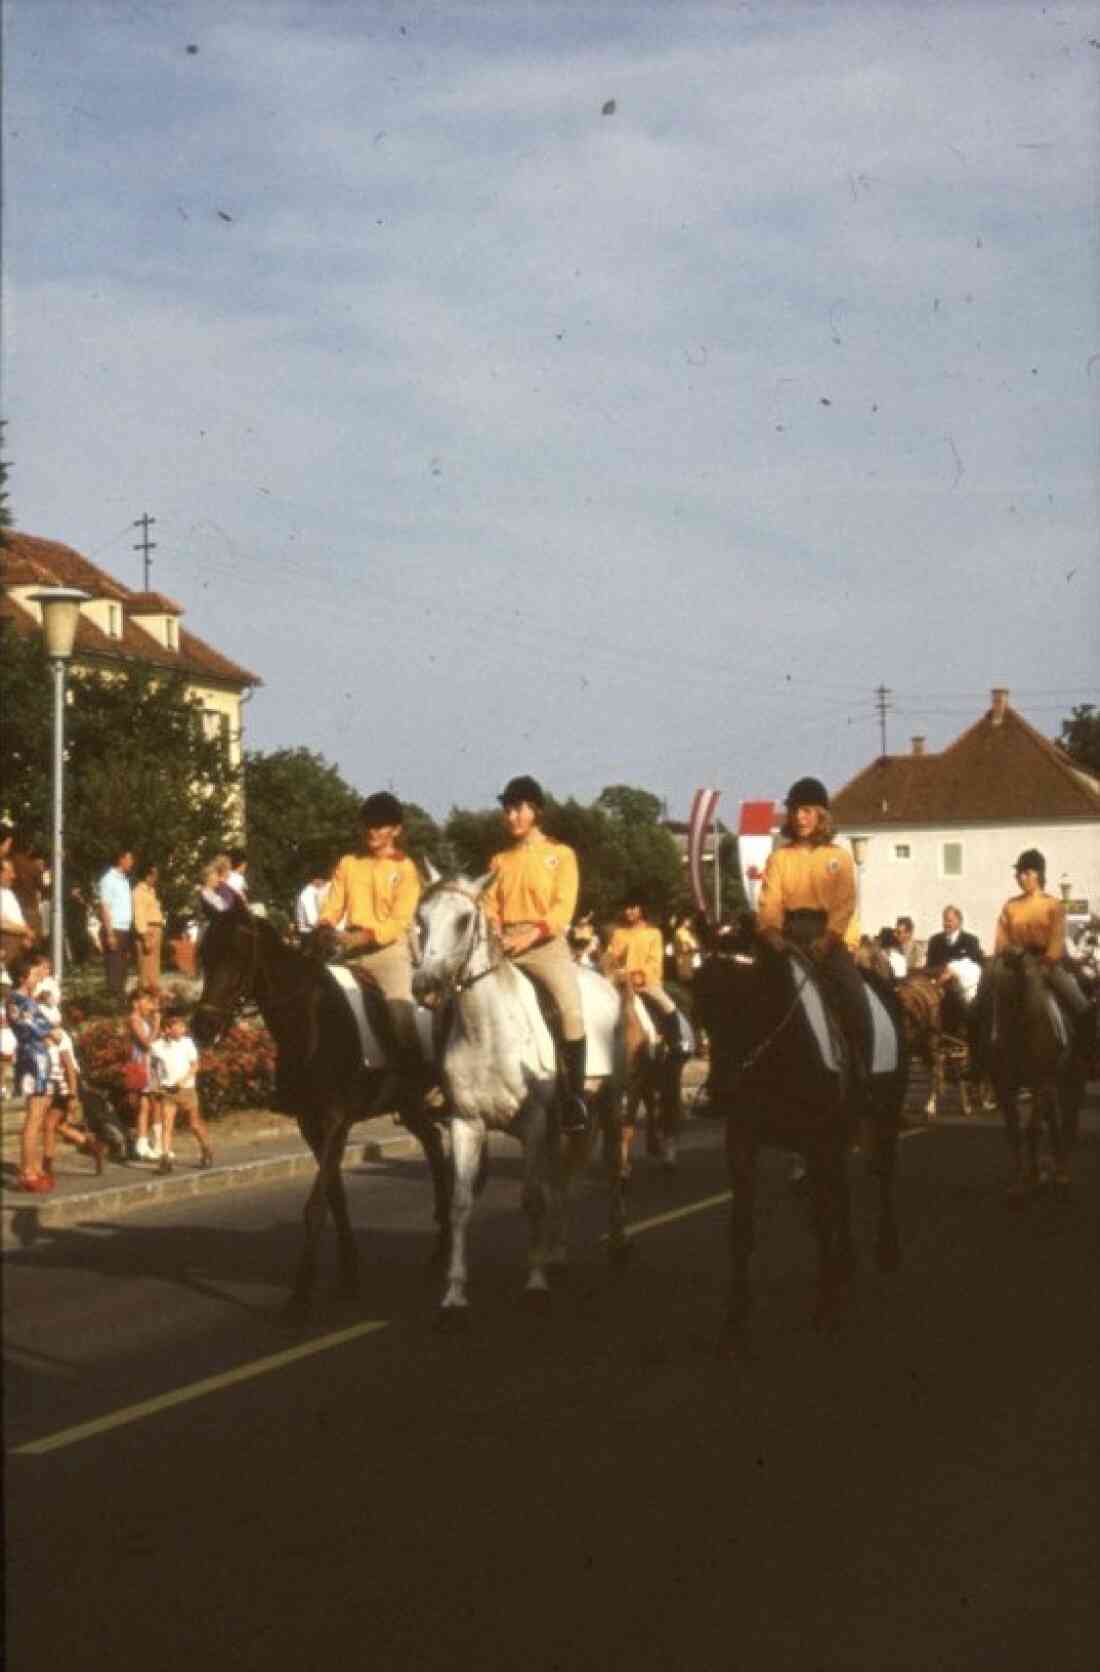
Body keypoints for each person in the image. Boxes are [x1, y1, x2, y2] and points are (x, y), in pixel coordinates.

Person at [482, 775, 589, 1134]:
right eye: (507, 810)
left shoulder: (561, 855)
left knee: (571, 1010)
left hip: (544, 946)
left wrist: (527, 938)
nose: (511, 817)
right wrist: (496, 930)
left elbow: (562, 910)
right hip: (503, 944)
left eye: (518, 809)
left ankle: (575, 1097)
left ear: (535, 811)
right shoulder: (499, 860)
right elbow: (489, 903)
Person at [756, 776, 871, 1098]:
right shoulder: (779, 858)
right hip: (786, 935)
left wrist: (830, 938)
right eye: (795, 811)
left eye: (807, 811)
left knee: (854, 997)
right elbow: (770, 901)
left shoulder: (839, 857)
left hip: (826, 938)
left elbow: (845, 903)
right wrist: (771, 933)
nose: (800, 817)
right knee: (749, 990)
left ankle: (863, 1073)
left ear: (822, 815)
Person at [315, 792, 425, 1116]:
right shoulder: (349, 863)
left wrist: (360, 937)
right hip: (349, 952)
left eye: (380, 827)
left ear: (395, 830)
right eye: (368, 826)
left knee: (400, 1014)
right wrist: (324, 924)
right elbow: (334, 903)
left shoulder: (405, 870)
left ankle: (415, 1087)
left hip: (388, 953)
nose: (372, 832)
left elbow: (398, 921)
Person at [984, 849, 1095, 1066]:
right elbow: (1001, 939)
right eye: (1019, 874)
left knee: (1082, 1006)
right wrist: (1008, 954)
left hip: (1047, 963)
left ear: (1038, 875)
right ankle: (981, 1057)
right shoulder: (1010, 905)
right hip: (1014, 962)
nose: (1020, 878)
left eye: (1025, 873)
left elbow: (1056, 940)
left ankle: (1085, 1056)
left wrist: (1046, 962)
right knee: (984, 993)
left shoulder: (1053, 905)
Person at [35, 977, 107, 1177]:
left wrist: (73, 1094)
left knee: (50, 1125)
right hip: (49, 1082)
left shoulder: (60, 1037)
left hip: (64, 1083)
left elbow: (68, 1065)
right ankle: (92, 1145)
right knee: (57, 1125)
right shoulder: (40, 1035)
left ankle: (47, 1165)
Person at [606, 891, 688, 1053]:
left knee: (668, 1006)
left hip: (646, 983)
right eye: (626, 908)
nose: (628, 912)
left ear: (641, 909)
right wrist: (611, 967)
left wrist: (633, 975)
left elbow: (654, 962)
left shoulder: (653, 934)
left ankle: (676, 1042)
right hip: (620, 982)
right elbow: (610, 957)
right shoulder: (618, 934)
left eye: (633, 908)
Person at [6, 949, 56, 1192]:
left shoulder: (25, 999)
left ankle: (33, 1166)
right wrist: (51, 1032)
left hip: (38, 1056)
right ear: (24, 977)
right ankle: (27, 1170)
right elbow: (35, 1027)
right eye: (35, 974)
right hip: (33, 1057)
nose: (39, 978)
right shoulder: (18, 999)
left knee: (41, 1112)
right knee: (34, 1116)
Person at [150, 1008, 212, 1174]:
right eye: (178, 1027)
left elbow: (195, 1065)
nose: (182, 1030)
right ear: (167, 1030)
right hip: (167, 1091)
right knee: (167, 1125)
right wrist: (155, 1083)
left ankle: (206, 1148)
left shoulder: (187, 1043)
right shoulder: (157, 1047)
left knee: (193, 1124)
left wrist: (183, 1080)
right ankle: (166, 1159)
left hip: (186, 1090)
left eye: (183, 1027)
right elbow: (154, 1066)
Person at [127, 986, 162, 1159]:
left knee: (150, 1104)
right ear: (135, 1003)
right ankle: (145, 1142)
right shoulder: (134, 1019)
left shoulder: (144, 1019)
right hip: (141, 1065)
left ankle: (149, 1142)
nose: (150, 1004)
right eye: (146, 1001)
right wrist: (156, 1026)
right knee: (147, 1104)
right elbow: (147, 1044)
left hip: (149, 1065)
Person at [98, 846, 135, 1000]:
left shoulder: (125, 880)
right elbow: (105, 907)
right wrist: (110, 933)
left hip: (125, 929)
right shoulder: (108, 880)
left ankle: (120, 1000)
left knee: (123, 969)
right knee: (114, 969)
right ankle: (113, 1003)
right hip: (114, 928)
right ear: (121, 859)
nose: (132, 863)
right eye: (129, 859)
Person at [132, 861, 166, 990]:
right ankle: (144, 1000)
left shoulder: (151, 891)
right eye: (155, 875)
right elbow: (139, 916)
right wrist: (145, 938)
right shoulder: (139, 892)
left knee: (154, 968)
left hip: (156, 929)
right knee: (146, 969)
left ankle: (152, 999)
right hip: (148, 931)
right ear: (147, 876)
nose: (156, 878)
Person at [925, 906, 983, 976]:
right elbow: (928, 968)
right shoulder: (934, 941)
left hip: (962, 985)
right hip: (939, 983)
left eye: (949, 921)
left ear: (960, 922)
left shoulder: (971, 941)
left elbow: (977, 968)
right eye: (944, 920)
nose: (946, 924)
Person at [1, 854, 36, 972]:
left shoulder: (9, 893)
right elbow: (2, 923)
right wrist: (25, 931)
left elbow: (18, 919)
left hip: (19, 945)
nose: (13, 876)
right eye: (9, 872)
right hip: (6, 945)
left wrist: (28, 934)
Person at [295, 869, 331, 937]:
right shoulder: (307, 894)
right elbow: (314, 922)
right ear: (316, 880)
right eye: (323, 881)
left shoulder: (323, 889)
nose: (325, 884)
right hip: (310, 935)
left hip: (319, 931)